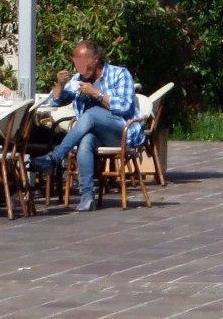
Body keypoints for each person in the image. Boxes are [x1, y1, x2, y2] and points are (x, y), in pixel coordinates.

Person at [27, 40, 142, 212]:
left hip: (120, 132)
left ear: (95, 59)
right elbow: (54, 101)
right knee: (85, 142)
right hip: (95, 134)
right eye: (76, 63)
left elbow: (126, 106)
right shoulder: (77, 80)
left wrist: (96, 94)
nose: (79, 68)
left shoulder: (119, 74)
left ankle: (55, 157)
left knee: (91, 114)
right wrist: (60, 84)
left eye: (82, 62)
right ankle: (87, 197)